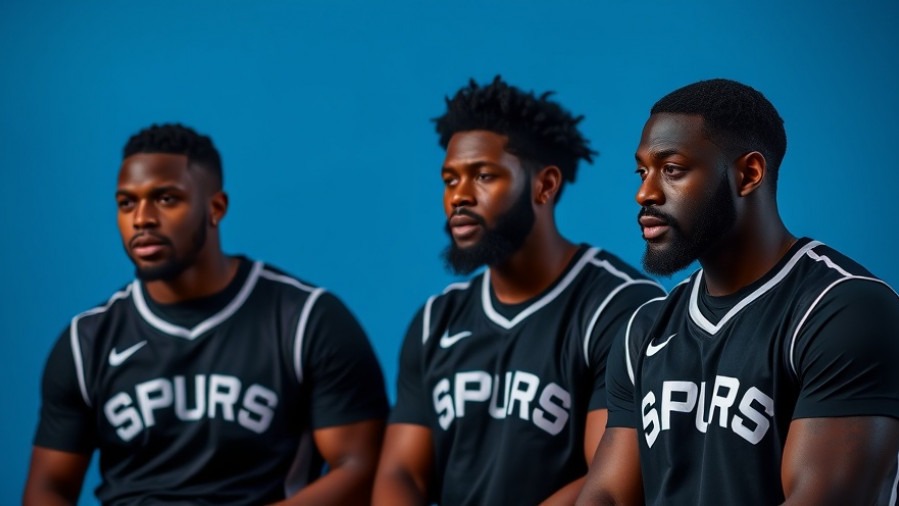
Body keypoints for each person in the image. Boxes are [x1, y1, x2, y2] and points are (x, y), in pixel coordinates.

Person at [23, 124, 389, 505]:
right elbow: (48, 486)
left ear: (216, 208)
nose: (142, 218)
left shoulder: (305, 320)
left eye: (165, 199)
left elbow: (361, 468)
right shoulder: (87, 342)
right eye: (126, 203)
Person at [576, 78, 899, 505]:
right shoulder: (645, 329)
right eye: (642, 172)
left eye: (671, 170)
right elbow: (608, 496)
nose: (645, 193)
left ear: (748, 174)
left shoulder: (843, 309)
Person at [373, 76, 665, 505]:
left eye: (483, 175)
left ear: (544, 185)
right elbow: (400, 473)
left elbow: (610, 481)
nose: (459, 197)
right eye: (450, 180)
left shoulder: (621, 307)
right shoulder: (436, 320)